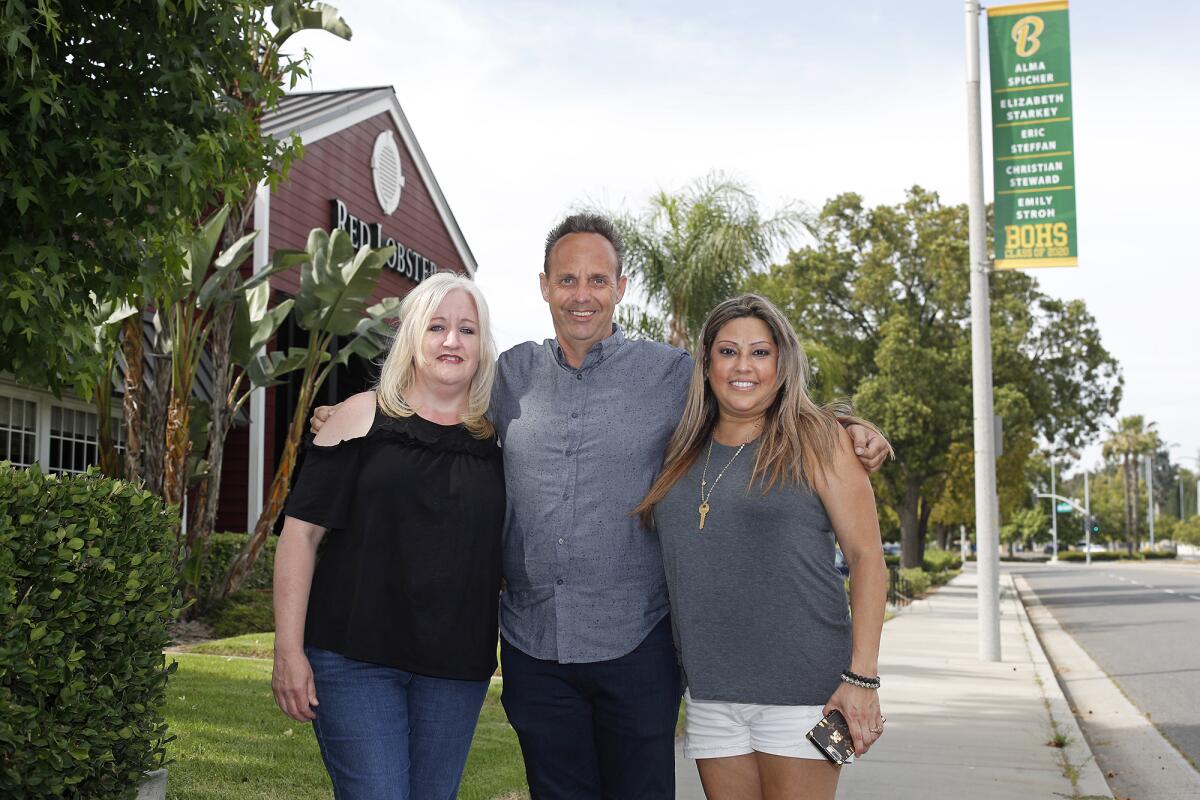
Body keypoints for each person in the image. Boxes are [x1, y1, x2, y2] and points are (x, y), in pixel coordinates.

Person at [311, 214, 890, 799]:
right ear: (544, 286)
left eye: (597, 280)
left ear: (620, 286)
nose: (581, 295)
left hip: (637, 644)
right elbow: (431, 398)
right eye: (567, 280)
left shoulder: (671, 376)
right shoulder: (506, 375)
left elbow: (748, 392)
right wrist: (353, 416)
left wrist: (845, 427)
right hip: (534, 645)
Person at [635, 293, 889, 800]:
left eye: (760, 352)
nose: (743, 366)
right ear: (706, 363)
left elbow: (867, 560)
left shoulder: (821, 439)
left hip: (805, 694)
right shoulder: (680, 450)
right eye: (728, 352)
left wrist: (862, 679)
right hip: (710, 695)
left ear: (782, 362)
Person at [272, 272, 505, 800]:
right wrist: (288, 649)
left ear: (482, 345)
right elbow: (300, 536)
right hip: (354, 658)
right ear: (412, 337)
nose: (451, 341)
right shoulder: (358, 417)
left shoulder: (500, 441)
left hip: (455, 668)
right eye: (437, 327)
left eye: (467, 330)